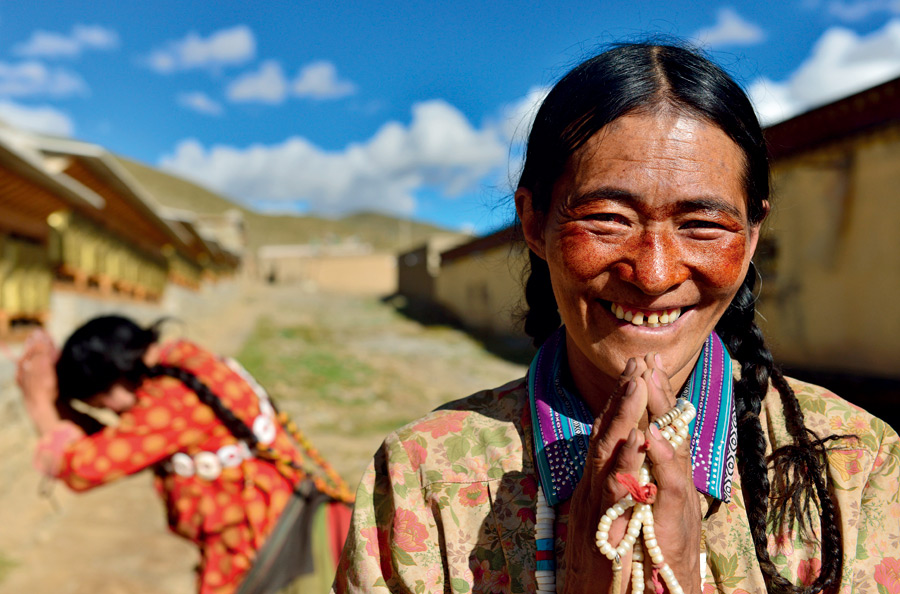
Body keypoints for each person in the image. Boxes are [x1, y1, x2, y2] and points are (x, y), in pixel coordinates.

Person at [333, 43, 900, 594]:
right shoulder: (422, 478)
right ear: (534, 223)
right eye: (607, 219)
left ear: (752, 237)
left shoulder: (853, 465)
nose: (653, 275)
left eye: (702, 224)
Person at [16, 316, 353, 594]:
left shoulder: (170, 398)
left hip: (254, 549)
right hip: (274, 524)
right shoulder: (184, 364)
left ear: (114, 383)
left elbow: (84, 468)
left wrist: (39, 403)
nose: (113, 415)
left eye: (101, 405)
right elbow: (121, 444)